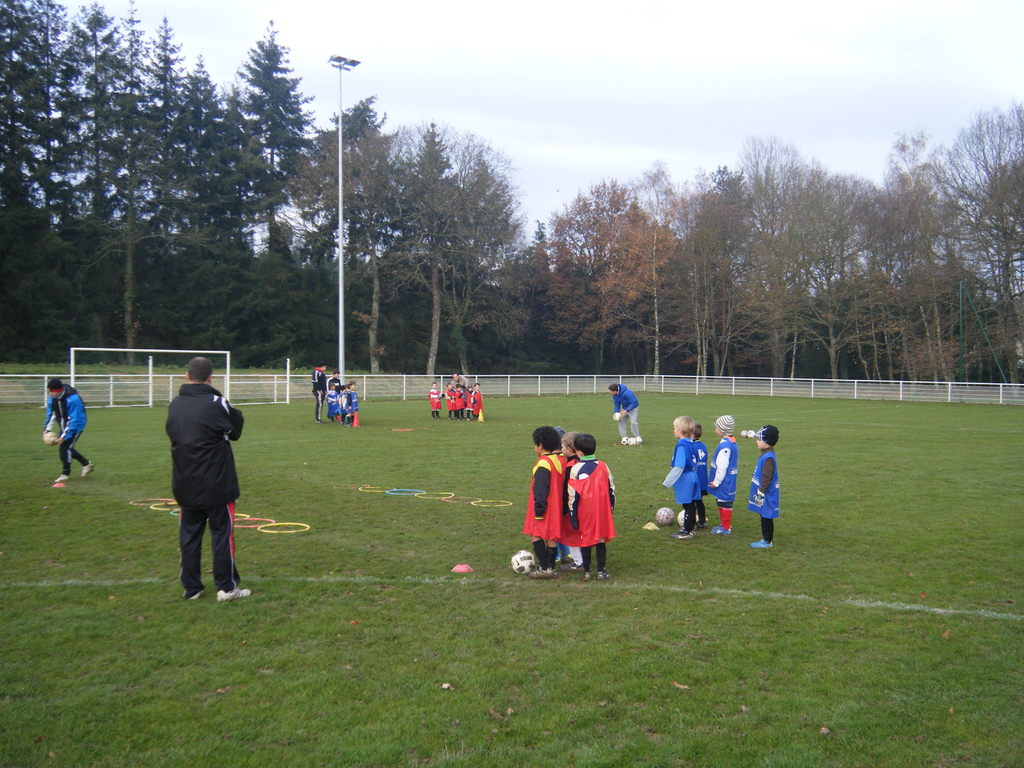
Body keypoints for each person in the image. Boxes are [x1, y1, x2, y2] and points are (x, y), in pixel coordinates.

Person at [166, 356, 250, 602]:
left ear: (186, 376)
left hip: (185, 481)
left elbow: (173, 433)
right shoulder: (216, 402)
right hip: (217, 482)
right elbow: (235, 428)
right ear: (211, 378)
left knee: (189, 535)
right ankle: (226, 587)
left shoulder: (175, 404)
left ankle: (192, 587)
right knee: (222, 533)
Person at [565, 433, 616, 580]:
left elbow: (573, 494)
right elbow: (611, 488)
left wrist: (573, 513)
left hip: (584, 511)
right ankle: (601, 571)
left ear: (579, 452)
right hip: (602, 510)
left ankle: (587, 572)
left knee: (585, 539)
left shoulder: (576, 468)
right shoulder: (603, 466)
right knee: (600, 539)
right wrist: (611, 506)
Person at [522, 425, 567, 579]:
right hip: (556, 507)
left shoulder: (543, 464)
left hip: (544, 507)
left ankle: (545, 568)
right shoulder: (560, 459)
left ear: (540, 446)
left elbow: (540, 489)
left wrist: (539, 510)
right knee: (551, 537)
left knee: (536, 534)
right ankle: (551, 567)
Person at [43, 378, 94, 483]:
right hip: (65, 425)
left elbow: (74, 419)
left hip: (76, 425)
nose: (49, 393)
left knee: (64, 448)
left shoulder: (73, 399)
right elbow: (51, 413)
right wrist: (47, 429)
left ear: (57, 391)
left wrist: (64, 436)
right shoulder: (52, 398)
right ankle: (86, 464)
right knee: (67, 447)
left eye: (50, 391)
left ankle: (65, 474)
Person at [665, 416, 701, 540]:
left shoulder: (681, 445)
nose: (673, 430)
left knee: (687, 505)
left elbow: (679, 466)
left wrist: (668, 481)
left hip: (685, 477)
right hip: (694, 475)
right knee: (691, 504)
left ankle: (686, 531)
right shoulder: (692, 443)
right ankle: (690, 527)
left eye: (675, 428)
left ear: (680, 431)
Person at [748, 425, 781, 549]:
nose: (757, 441)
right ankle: (766, 539)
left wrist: (761, 492)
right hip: (763, 492)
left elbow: (767, 477)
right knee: (763, 514)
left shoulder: (768, 458)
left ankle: (767, 541)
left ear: (767, 443)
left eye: (759, 439)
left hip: (766, 493)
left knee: (766, 515)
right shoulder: (765, 453)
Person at [557, 430, 584, 571]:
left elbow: (568, 490)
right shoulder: (582, 462)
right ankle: (582, 559)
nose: (561, 450)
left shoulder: (570, 466)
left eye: (562, 447)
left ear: (569, 449)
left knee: (571, 535)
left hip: (571, 507)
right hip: (583, 506)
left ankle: (578, 562)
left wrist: (563, 509)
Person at [708, 415, 739, 536]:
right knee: (722, 502)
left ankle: (726, 528)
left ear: (723, 430)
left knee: (725, 503)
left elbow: (722, 467)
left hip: (725, 482)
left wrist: (716, 482)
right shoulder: (731, 443)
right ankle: (724, 525)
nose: (715, 430)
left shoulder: (725, 447)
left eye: (717, 428)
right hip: (727, 480)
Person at [692, 422, 710, 529]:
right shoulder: (703, 446)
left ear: (691, 434)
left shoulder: (691, 446)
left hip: (694, 479)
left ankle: (692, 523)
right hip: (703, 479)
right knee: (699, 501)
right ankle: (702, 521)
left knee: (691, 502)